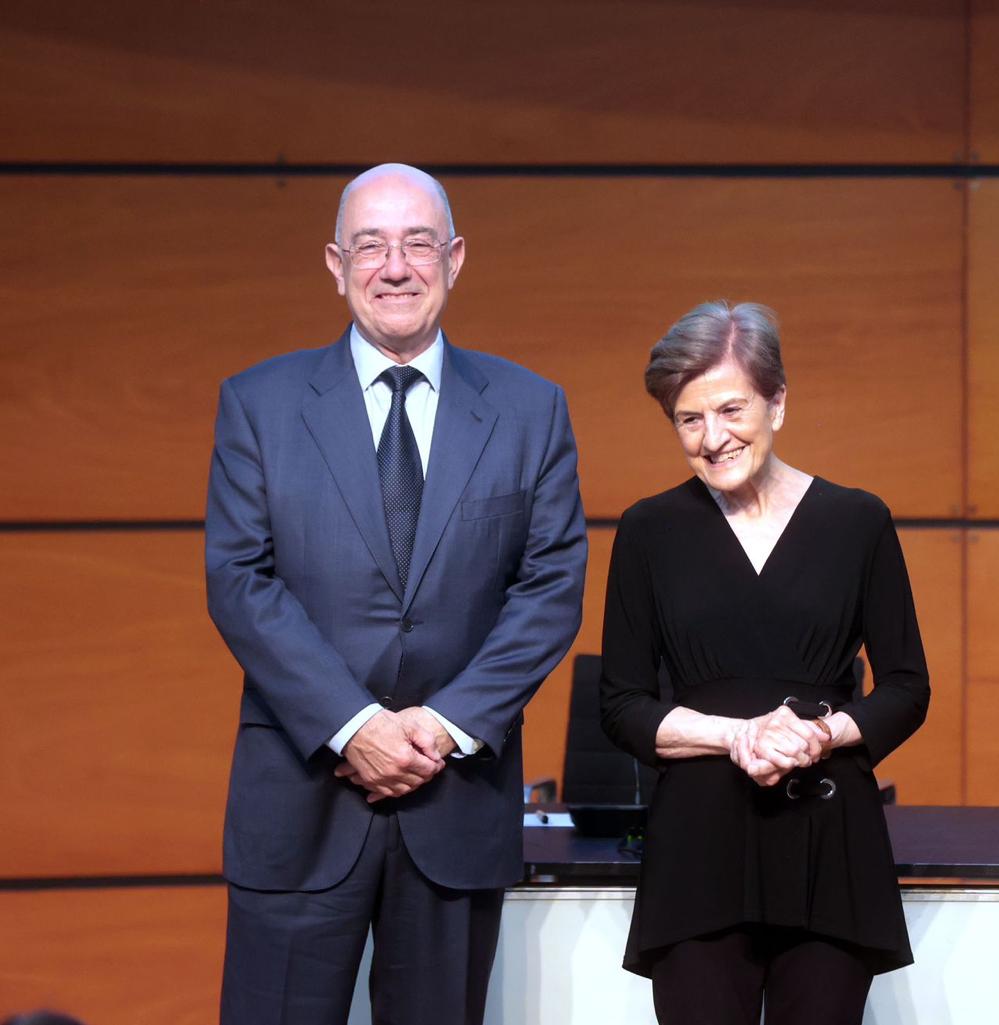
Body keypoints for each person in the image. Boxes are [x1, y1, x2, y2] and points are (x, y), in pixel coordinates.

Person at [205, 163, 586, 1025]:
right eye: (371, 245)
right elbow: (239, 578)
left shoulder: (531, 409)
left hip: (453, 800)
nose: (396, 266)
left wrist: (441, 728)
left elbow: (552, 582)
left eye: (418, 243)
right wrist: (354, 724)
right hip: (300, 800)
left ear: (454, 259)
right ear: (336, 264)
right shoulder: (259, 405)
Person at [598, 301, 930, 1025]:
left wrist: (824, 733)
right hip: (697, 850)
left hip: (828, 844)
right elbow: (621, 704)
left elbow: (906, 686)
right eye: (689, 418)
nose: (713, 438)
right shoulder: (648, 530)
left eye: (731, 408)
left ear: (777, 400)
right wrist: (737, 734)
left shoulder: (857, 520)